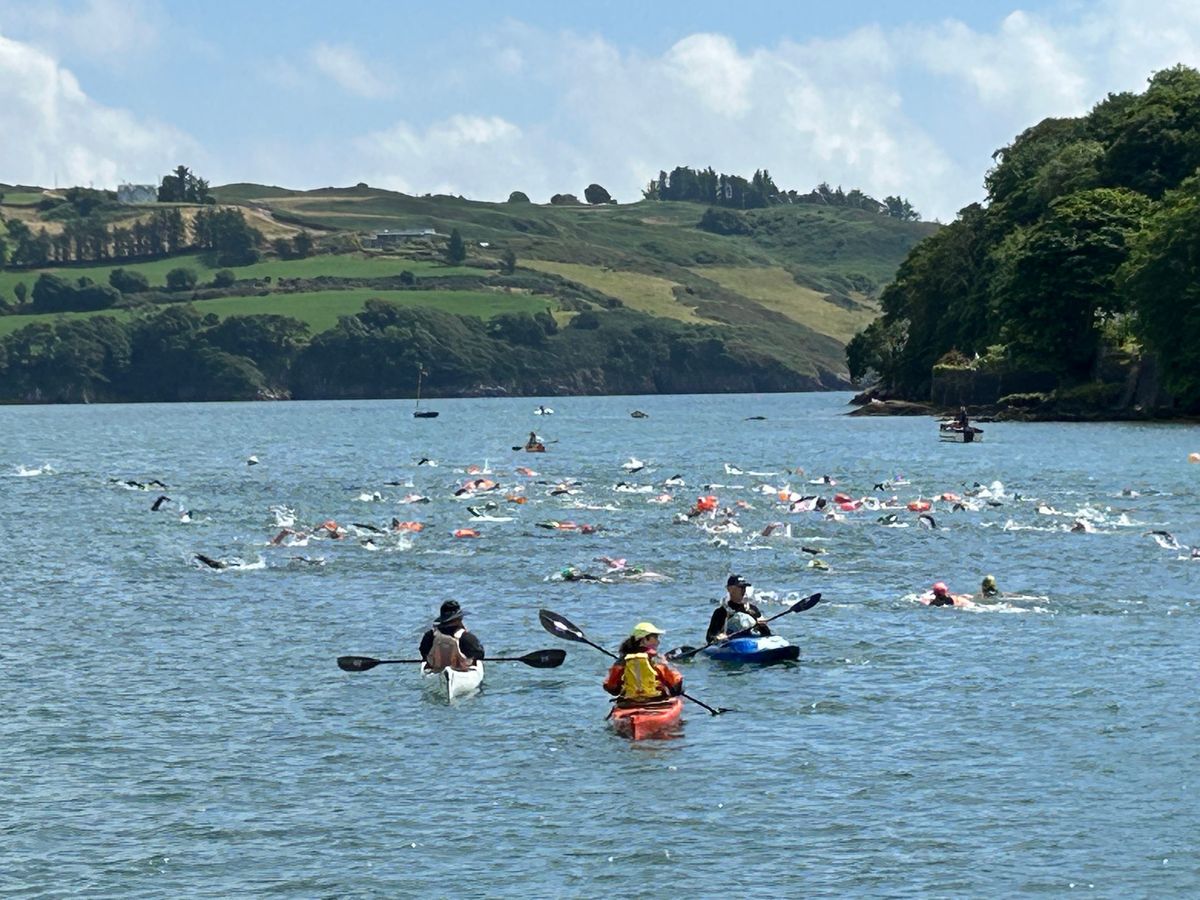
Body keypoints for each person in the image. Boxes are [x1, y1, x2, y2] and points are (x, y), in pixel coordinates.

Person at [603, 622, 683, 703]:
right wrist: (677, 692)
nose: (658, 642)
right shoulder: (657, 659)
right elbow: (676, 682)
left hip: (629, 702)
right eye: (655, 637)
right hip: (657, 700)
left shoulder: (622, 660)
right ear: (644, 639)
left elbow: (612, 688)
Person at [418, 600, 485, 672]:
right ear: (459, 619)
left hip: (436, 670)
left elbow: (423, 653)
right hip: (460, 672)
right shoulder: (466, 637)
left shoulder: (429, 635)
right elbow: (480, 654)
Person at [706, 575, 771, 642]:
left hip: (752, 643)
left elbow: (767, 634)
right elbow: (710, 637)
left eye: (744, 587)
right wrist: (718, 637)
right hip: (732, 646)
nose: (743, 590)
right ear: (729, 589)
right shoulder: (721, 612)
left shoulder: (753, 609)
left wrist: (762, 626)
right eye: (740, 587)